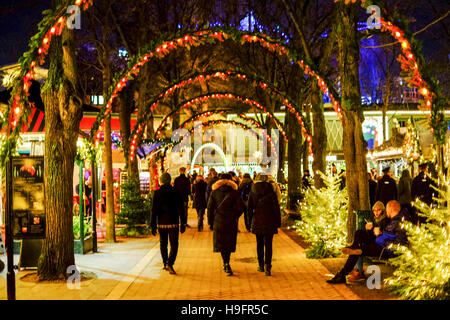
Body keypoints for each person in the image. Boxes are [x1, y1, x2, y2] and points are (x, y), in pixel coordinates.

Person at [327, 200, 408, 284]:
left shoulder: (396, 221)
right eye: (375, 210)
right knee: (359, 233)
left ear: (389, 210)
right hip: (380, 243)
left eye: (385, 210)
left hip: (384, 249)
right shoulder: (395, 219)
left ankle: (342, 274)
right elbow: (387, 234)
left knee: (358, 251)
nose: (386, 212)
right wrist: (376, 232)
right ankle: (354, 249)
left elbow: (396, 242)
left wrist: (380, 234)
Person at [207, 173, 245, 276]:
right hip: (231, 220)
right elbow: (241, 207)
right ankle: (227, 262)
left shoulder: (214, 192)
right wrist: (235, 215)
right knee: (229, 241)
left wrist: (210, 221)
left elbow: (210, 207)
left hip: (219, 220)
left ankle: (225, 262)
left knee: (221, 242)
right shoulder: (234, 192)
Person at [150, 172, 186, 275]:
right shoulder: (176, 191)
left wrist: (153, 225)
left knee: (163, 243)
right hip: (173, 222)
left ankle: (165, 262)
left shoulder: (157, 193)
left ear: (161, 181)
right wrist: (183, 223)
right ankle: (170, 263)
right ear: (170, 181)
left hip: (162, 222)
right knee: (174, 244)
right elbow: (181, 208)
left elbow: (153, 210)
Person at [247, 174, 281, 276]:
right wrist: (278, 222)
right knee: (269, 244)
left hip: (257, 220)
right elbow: (276, 208)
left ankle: (261, 265)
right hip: (269, 220)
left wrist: (249, 222)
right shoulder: (271, 191)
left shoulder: (253, 191)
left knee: (259, 243)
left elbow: (249, 208)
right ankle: (268, 266)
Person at [346, 201, 387, 282]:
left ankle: (358, 272)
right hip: (372, 241)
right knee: (359, 233)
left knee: (358, 249)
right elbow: (371, 235)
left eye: (378, 210)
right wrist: (368, 229)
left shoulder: (384, 220)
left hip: (379, 244)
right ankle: (358, 270)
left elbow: (383, 234)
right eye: (374, 210)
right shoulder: (374, 220)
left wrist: (378, 231)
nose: (376, 212)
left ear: (382, 210)